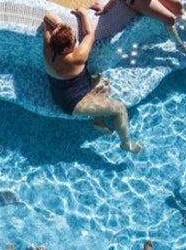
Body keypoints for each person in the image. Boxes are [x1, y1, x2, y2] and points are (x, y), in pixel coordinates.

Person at [43, 9, 142, 152]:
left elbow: (47, 16)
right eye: (73, 40)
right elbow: (90, 34)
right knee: (119, 109)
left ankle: (99, 121)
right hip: (74, 102)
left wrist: (59, 27)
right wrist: (83, 14)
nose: (75, 41)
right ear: (68, 49)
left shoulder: (48, 49)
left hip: (63, 91)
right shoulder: (77, 57)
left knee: (102, 81)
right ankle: (126, 143)